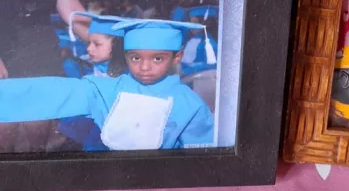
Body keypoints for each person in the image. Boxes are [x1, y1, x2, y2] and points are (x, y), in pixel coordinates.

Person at [0, 18, 215, 150]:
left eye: (158, 58)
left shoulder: (191, 105)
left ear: (177, 57)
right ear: (125, 55)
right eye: (135, 58)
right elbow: (58, 91)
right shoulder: (109, 90)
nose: (144, 67)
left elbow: (199, 156)